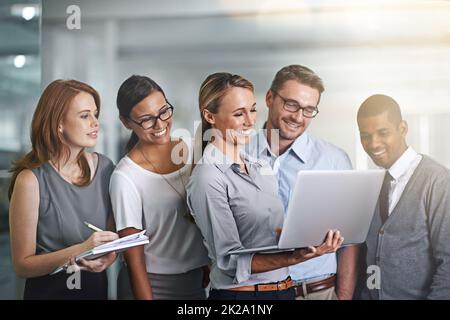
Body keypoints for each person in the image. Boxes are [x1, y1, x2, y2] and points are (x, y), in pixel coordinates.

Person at [186, 72, 343, 300]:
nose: (250, 121)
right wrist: (296, 257)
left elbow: (263, 235)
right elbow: (229, 260)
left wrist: (302, 237)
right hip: (244, 298)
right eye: (239, 113)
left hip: (284, 290)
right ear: (210, 116)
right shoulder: (208, 177)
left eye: (252, 109)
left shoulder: (260, 167)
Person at [247, 65, 359, 300]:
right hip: (257, 293)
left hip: (318, 291)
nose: (298, 117)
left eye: (309, 110)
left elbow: (349, 239)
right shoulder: (236, 154)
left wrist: (344, 297)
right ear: (269, 98)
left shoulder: (334, 160)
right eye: (291, 104)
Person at [8, 79, 118, 300]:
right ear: (59, 124)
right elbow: (22, 266)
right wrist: (81, 249)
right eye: (85, 115)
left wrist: (110, 256)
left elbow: (110, 238)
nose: (95, 123)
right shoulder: (30, 181)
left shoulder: (106, 168)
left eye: (96, 114)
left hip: (96, 291)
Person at [110, 75, 210, 300]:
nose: (160, 124)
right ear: (126, 122)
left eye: (164, 111)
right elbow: (133, 259)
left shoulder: (189, 151)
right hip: (152, 286)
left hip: (195, 283)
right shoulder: (126, 176)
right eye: (146, 119)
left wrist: (203, 263)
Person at [357, 94, 450, 299]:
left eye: (383, 133)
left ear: (403, 128)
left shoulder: (438, 181)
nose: (373, 144)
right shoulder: (371, 183)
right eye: (366, 135)